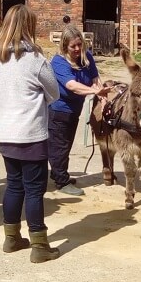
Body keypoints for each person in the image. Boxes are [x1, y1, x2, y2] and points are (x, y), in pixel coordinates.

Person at [0, 4, 60, 262]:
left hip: (5, 131)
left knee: (13, 185)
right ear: (28, 26)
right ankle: (40, 245)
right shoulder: (35, 60)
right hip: (31, 133)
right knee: (34, 190)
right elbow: (54, 93)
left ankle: (11, 237)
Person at [48, 25, 111, 196]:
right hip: (59, 110)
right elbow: (71, 86)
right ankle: (61, 181)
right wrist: (94, 91)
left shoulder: (86, 57)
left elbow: (95, 79)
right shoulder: (58, 62)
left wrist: (103, 97)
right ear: (64, 46)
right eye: (73, 46)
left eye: (79, 45)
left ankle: (58, 172)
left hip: (75, 109)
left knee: (66, 144)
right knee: (60, 145)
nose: (77, 49)